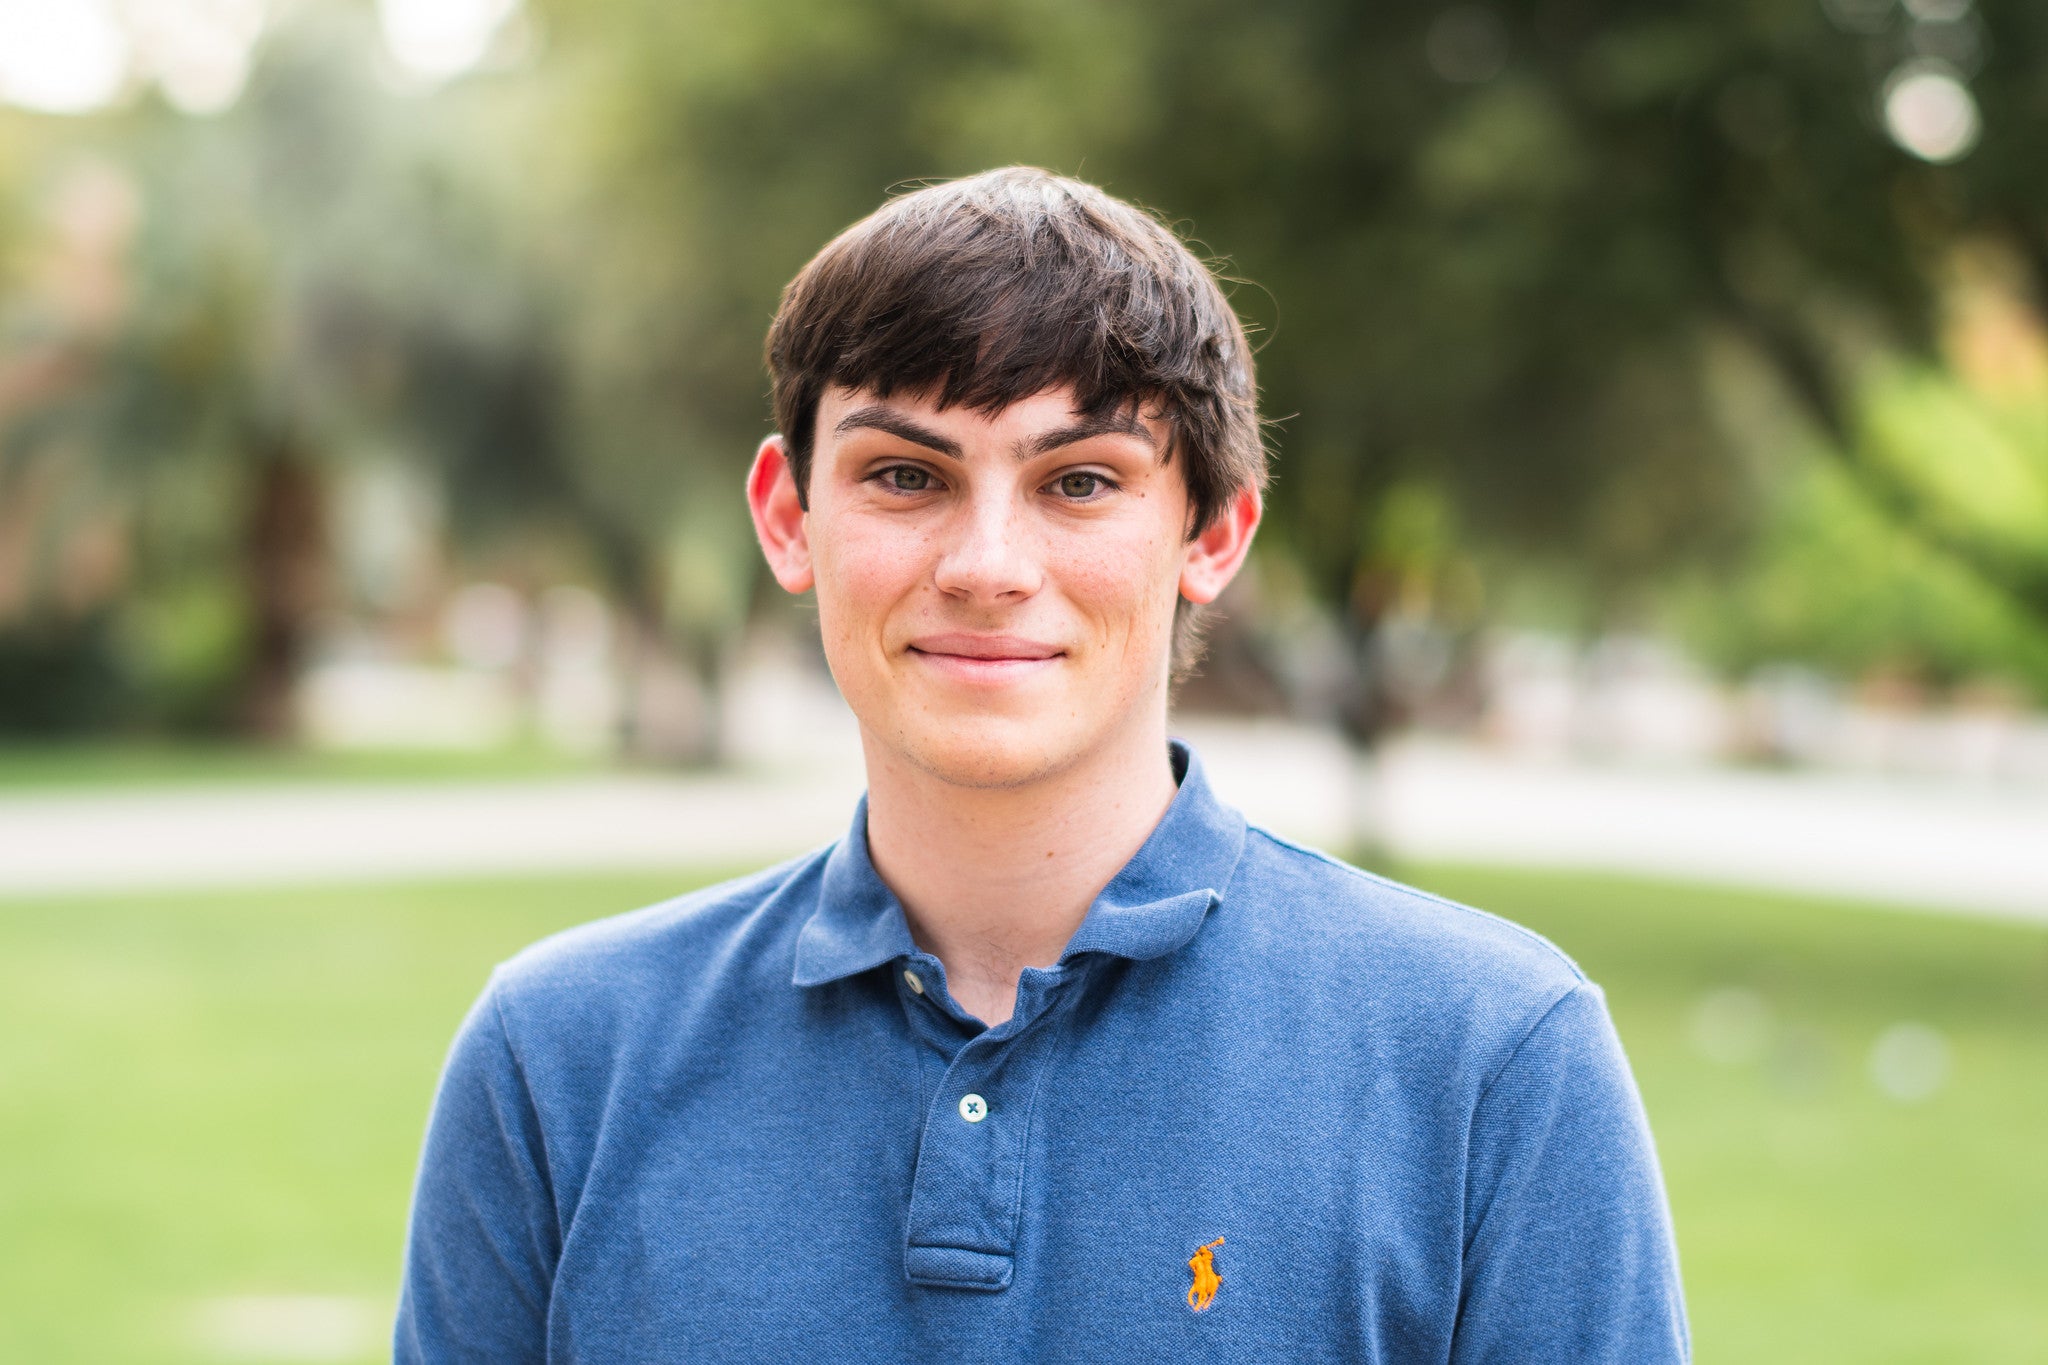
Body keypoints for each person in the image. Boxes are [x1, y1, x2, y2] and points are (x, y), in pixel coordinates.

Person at [395, 167, 1688, 1362]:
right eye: (906, 474)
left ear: (1215, 534)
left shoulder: (1496, 1059)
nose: (988, 564)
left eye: (1079, 482)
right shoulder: (558, 1061)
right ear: (792, 519)